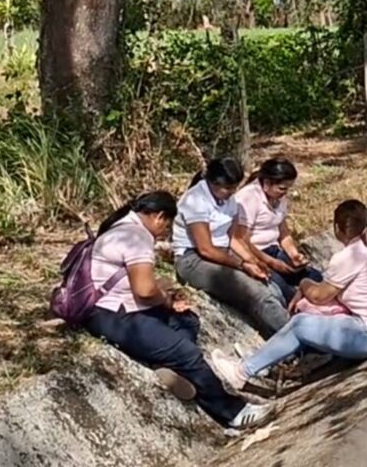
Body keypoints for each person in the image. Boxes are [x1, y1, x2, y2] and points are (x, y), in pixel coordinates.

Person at [84, 191, 269, 430]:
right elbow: (145, 290)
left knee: (187, 320)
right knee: (187, 353)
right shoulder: (137, 237)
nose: (165, 232)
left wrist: (167, 298)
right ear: (159, 216)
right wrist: (167, 301)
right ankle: (233, 412)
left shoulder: (120, 227)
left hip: (118, 307)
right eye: (167, 226)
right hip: (115, 316)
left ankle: (168, 363)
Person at [211, 199, 367, 390]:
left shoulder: (349, 256)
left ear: (337, 228)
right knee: (312, 319)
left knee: (300, 325)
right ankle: (267, 360)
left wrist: (303, 284)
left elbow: (318, 296)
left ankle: (242, 372)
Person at [173, 158, 291, 338]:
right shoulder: (195, 201)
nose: (232, 193)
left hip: (223, 253)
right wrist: (242, 265)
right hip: (194, 259)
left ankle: (282, 333)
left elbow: (232, 238)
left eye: (234, 188)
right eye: (227, 188)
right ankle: (295, 336)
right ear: (213, 183)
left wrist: (253, 261)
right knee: (257, 293)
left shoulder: (229, 200)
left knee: (273, 289)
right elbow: (205, 249)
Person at [232, 158, 323, 303]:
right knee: (284, 291)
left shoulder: (279, 198)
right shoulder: (248, 198)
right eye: (281, 188)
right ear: (267, 183)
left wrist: (293, 254)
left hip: (274, 250)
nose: (285, 193)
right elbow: (242, 240)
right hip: (255, 254)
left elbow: (283, 230)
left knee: (315, 278)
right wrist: (271, 262)